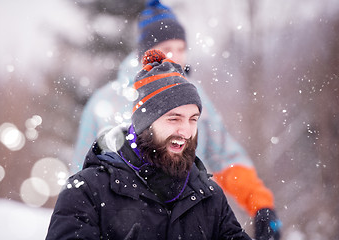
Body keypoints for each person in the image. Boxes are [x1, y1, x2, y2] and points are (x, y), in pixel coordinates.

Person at [72, 1, 281, 239]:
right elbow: (80, 177)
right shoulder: (106, 102)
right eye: (167, 48)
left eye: (182, 49)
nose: (177, 57)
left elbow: (224, 156)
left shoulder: (196, 98)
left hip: (187, 222)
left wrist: (260, 204)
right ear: (145, 53)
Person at [46, 49, 251, 239]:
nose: (186, 131)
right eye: (174, 119)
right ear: (145, 124)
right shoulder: (87, 190)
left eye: (193, 119)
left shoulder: (210, 197)